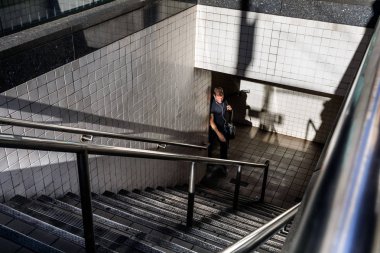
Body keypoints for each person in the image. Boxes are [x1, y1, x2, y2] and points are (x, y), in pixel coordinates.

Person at [209, 87, 232, 160]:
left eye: (222, 98)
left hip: (224, 126)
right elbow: (211, 121)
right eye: (218, 98)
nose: (220, 100)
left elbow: (227, 110)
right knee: (210, 145)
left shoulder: (225, 100)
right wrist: (218, 133)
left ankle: (223, 162)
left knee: (224, 146)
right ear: (214, 96)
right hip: (215, 128)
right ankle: (208, 162)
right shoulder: (213, 106)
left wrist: (230, 109)